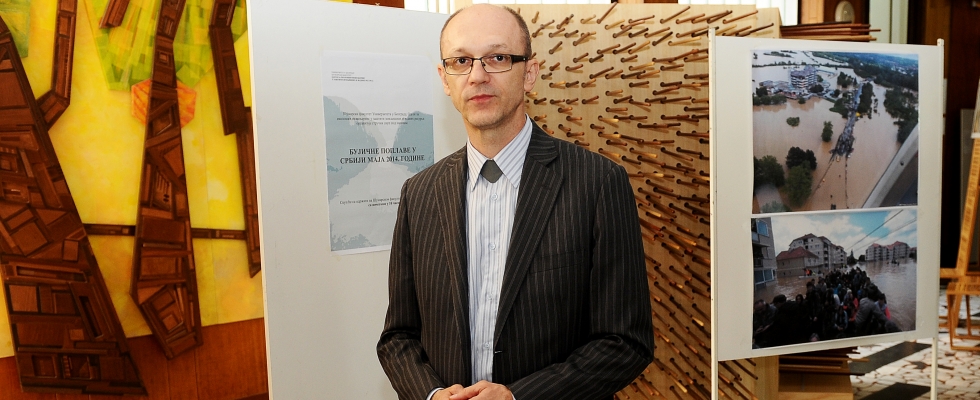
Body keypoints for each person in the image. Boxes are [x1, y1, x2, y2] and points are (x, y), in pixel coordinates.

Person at [376, 4, 655, 400]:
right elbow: (398, 336)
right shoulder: (419, 193)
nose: (477, 76)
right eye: (461, 61)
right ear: (444, 79)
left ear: (530, 73)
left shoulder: (597, 183)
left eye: (497, 58)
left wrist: (518, 397)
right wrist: (433, 394)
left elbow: (626, 342)